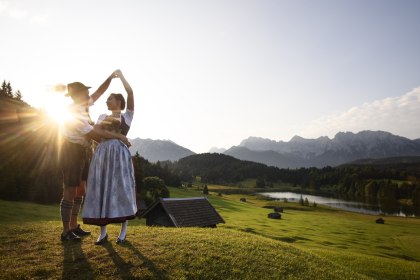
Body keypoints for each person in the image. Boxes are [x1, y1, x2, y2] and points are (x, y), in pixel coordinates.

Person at [60, 71, 130, 242]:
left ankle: (74, 225)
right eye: (85, 91)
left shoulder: (83, 105)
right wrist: (120, 137)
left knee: (81, 189)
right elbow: (96, 136)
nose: (89, 94)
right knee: (70, 189)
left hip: (82, 151)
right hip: (71, 151)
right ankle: (66, 231)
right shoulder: (74, 113)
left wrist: (111, 77)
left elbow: (99, 92)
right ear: (78, 95)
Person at [82, 70, 137, 245]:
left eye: (110, 98)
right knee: (102, 188)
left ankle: (123, 231)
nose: (107, 101)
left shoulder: (127, 116)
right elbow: (97, 132)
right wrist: (120, 137)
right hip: (103, 153)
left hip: (119, 155)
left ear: (119, 102)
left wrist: (121, 78)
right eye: (106, 99)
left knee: (121, 189)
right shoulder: (101, 116)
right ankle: (103, 232)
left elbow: (130, 93)